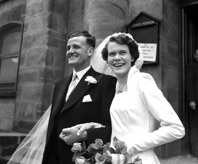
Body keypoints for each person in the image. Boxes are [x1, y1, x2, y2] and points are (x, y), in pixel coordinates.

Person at [74, 32, 185, 164]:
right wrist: (93, 126)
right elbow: (122, 125)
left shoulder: (142, 81)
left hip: (139, 159)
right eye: (112, 54)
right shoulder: (116, 87)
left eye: (122, 53)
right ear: (107, 59)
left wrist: (130, 148)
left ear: (132, 57)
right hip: (116, 159)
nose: (117, 58)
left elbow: (176, 128)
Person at [7, 30, 117, 164]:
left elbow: (110, 127)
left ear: (90, 51)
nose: (70, 51)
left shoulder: (106, 83)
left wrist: (83, 135)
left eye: (76, 47)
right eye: (68, 48)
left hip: (83, 158)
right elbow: (54, 124)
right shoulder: (60, 84)